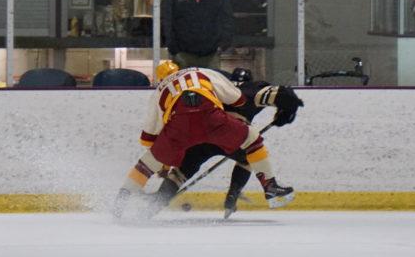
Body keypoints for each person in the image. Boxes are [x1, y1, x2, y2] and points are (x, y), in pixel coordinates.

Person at [113, 60, 295, 219]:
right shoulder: (200, 72)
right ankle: (270, 186)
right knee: (252, 140)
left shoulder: (160, 90)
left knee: (147, 164)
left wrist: (163, 160)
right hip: (212, 121)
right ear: (178, 69)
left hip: (180, 129)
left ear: (160, 79)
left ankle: (123, 198)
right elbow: (237, 98)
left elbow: (149, 137)